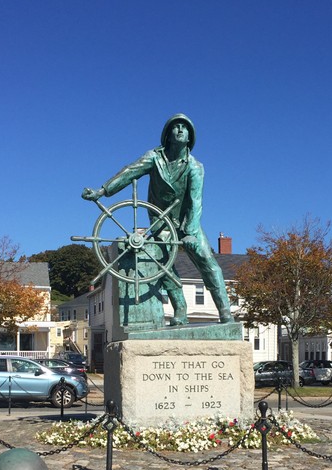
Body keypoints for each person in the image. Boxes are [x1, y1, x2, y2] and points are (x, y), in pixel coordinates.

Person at [82, 114, 233, 325]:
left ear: (190, 137)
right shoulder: (154, 157)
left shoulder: (195, 167)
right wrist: (102, 191)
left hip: (188, 220)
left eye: (185, 127)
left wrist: (189, 232)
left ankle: (225, 312)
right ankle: (180, 310)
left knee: (208, 263)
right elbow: (129, 172)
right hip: (161, 222)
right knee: (164, 265)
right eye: (176, 127)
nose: (180, 130)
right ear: (167, 135)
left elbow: (195, 201)